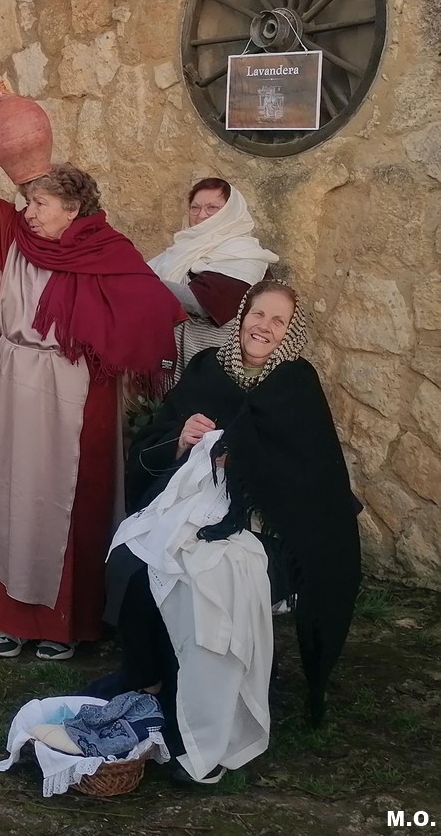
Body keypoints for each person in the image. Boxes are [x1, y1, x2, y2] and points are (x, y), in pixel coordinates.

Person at [0, 82, 186, 661]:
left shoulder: (106, 251)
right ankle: (7, 613)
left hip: (75, 392)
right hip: (14, 379)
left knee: (65, 503)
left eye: (40, 204)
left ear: (72, 209)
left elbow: (152, 310)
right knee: (6, 493)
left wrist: (114, 361)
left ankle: (64, 623)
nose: (28, 212)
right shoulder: (14, 233)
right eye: (28, 203)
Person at [106, 280, 360, 783]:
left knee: (214, 585)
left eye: (277, 321)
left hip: (264, 524)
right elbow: (152, 442)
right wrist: (182, 439)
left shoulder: (294, 385)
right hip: (192, 508)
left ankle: (207, 716)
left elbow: (310, 473)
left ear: (290, 333)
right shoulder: (205, 371)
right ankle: (154, 677)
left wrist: (242, 455)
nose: (263, 327)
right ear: (241, 316)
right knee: (135, 561)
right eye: (257, 314)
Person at [147, 178, 277, 380]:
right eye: (195, 208)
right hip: (164, 358)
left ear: (230, 213)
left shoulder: (245, 255)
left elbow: (200, 303)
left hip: (209, 369)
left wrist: (141, 281)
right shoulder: (181, 250)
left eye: (212, 208)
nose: (201, 215)